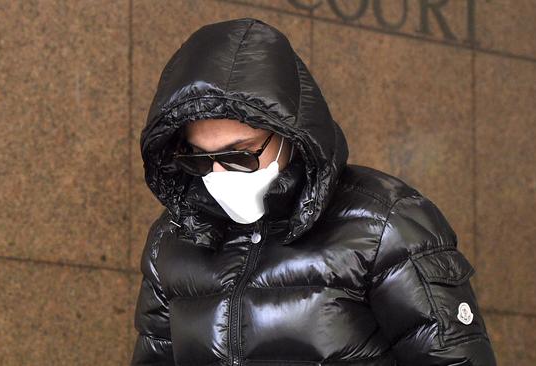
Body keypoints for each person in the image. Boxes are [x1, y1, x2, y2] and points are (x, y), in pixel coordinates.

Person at [131, 17, 497, 366]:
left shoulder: (384, 224)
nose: (218, 174)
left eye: (240, 155)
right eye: (199, 159)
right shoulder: (172, 240)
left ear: (290, 132)